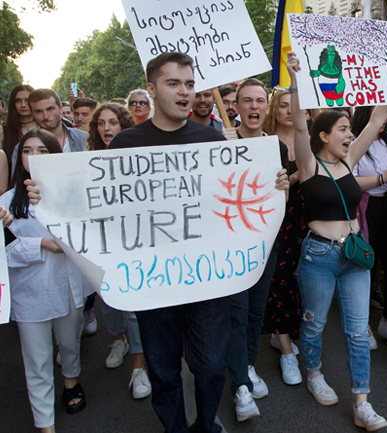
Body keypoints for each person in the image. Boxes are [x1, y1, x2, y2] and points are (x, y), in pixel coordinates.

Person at [24, 52, 288, 433]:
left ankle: (206, 425)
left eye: (189, 83)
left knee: (212, 366)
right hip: (152, 284)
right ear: (151, 89)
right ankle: (176, 428)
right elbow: (95, 202)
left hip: (207, 280)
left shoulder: (211, 139)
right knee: (163, 369)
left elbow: (234, 196)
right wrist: (46, 197)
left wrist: (271, 186)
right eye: (173, 83)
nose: (185, 92)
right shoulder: (127, 144)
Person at [286, 50, 387, 430]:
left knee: (358, 330)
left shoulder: (349, 161)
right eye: (343, 129)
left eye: (351, 129)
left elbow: (378, 116)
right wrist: (296, 79)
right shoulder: (309, 164)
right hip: (318, 256)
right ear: (324, 136)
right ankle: (314, 374)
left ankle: (362, 402)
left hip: (354, 257)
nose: (350, 134)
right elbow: (299, 125)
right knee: (313, 324)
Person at [6, 129, 91, 433]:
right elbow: (6, 253)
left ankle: (71, 379)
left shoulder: (73, 194)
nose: (35, 157)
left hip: (68, 287)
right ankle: (45, 424)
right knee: (37, 360)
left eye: (44, 151)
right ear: (20, 159)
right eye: (29, 151)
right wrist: (40, 244)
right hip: (30, 294)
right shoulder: (6, 204)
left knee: (68, 344)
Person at [224, 77, 287, 422]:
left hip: (265, 244)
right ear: (235, 106)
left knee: (255, 313)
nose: (253, 107)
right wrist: (221, 151)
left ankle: (247, 366)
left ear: (267, 106)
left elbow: (282, 199)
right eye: (246, 101)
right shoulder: (221, 142)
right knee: (236, 314)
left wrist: (282, 187)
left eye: (259, 100)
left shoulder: (276, 146)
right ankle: (239, 388)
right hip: (232, 244)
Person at [83, 103, 152, 399]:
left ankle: (139, 366)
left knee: (134, 307)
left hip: (135, 243)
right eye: (101, 123)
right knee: (108, 299)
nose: (106, 128)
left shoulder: (139, 157)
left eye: (113, 122)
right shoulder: (87, 162)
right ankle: (119, 339)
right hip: (102, 245)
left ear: (124, 126)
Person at [350, 106, 387, 350]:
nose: (383, 122)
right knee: (367, 265)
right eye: (379, 117)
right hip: (367, 208)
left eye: (385, 117)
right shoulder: (353, 143)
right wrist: (383, 178)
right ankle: (361, 323)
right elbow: (350, 181)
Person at [262, 89, 306, 385]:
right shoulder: (263, 144)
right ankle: (286, 349)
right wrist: (294, 176)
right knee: (279, 279)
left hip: (307, 220)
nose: (289, 112)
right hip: (277, 222)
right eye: (284, 106)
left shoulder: (309, 141)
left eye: (295, 107)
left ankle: (287, 331)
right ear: (274, 109)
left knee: (299, 278)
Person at [2, 84, 36, 171]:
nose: (23, 105)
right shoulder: (4, 132)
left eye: (27, 100)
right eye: (18, 101)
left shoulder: (44, 128)